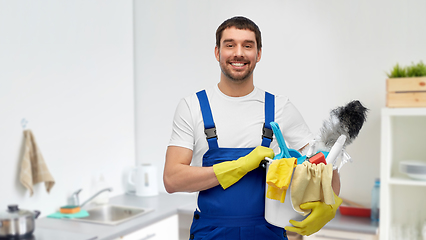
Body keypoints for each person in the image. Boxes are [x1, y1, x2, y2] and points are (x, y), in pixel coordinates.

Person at [164, 16, 341, 240]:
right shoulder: (192, 106)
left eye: (248, 46)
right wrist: (239, 166)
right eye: (230, 45)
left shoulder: (280, 108)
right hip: (210, 233)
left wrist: (331, 201)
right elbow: (172, 179)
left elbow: (324, 165)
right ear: (217, 52)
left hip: (267, 233)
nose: (239, 53)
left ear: (258, 54)